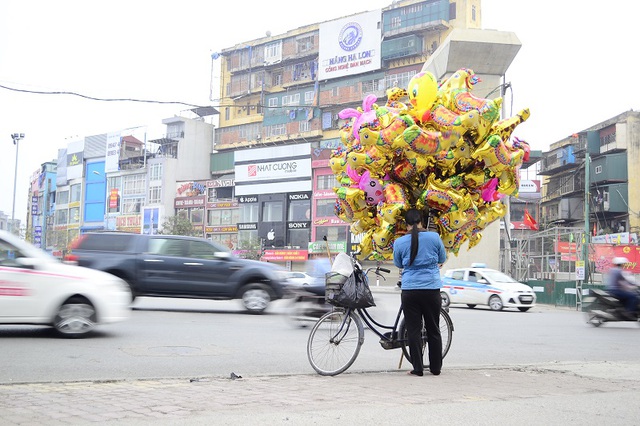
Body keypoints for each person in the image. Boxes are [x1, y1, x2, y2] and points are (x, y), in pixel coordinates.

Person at [393, 208, 447, 376]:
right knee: (433, 329)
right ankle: (436, 368)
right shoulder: (434, 237)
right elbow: (442, 258)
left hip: (410, 290)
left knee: (414, 330)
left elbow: (398, 263)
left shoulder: (400, 242)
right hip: (431, 289)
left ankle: (417, 369)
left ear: (406, 224)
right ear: (422, 221)